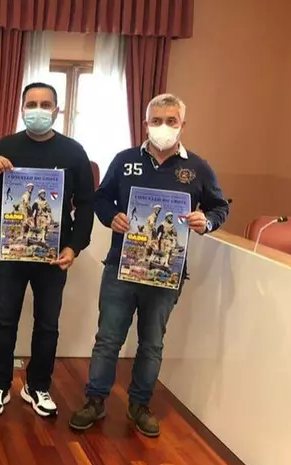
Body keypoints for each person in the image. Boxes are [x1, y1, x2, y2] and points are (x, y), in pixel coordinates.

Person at [68, 93, 229, 437]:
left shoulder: (197, 168)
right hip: (121, 267)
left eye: (171, 121)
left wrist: (207, 221)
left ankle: (139, 405)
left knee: (152, 343)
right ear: (146, 124)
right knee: (108, 339)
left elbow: (219, 207)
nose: (163, 127)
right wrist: (112, 216)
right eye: (156, 121)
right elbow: (101, 197)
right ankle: (95, 400)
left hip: (166, 271)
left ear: (182, 125)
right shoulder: (125, 160)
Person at [0, 82, 95, 417]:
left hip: (52, 253)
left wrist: (74, 246)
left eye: (45, 104)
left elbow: (86, 203)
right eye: (31, 104)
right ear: (22, 109)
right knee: (4, 319)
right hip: (11, 249)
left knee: (47, 323)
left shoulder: (73, 152)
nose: (38, 110)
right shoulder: (8, 145)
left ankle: (38, 386)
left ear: (56, 110)